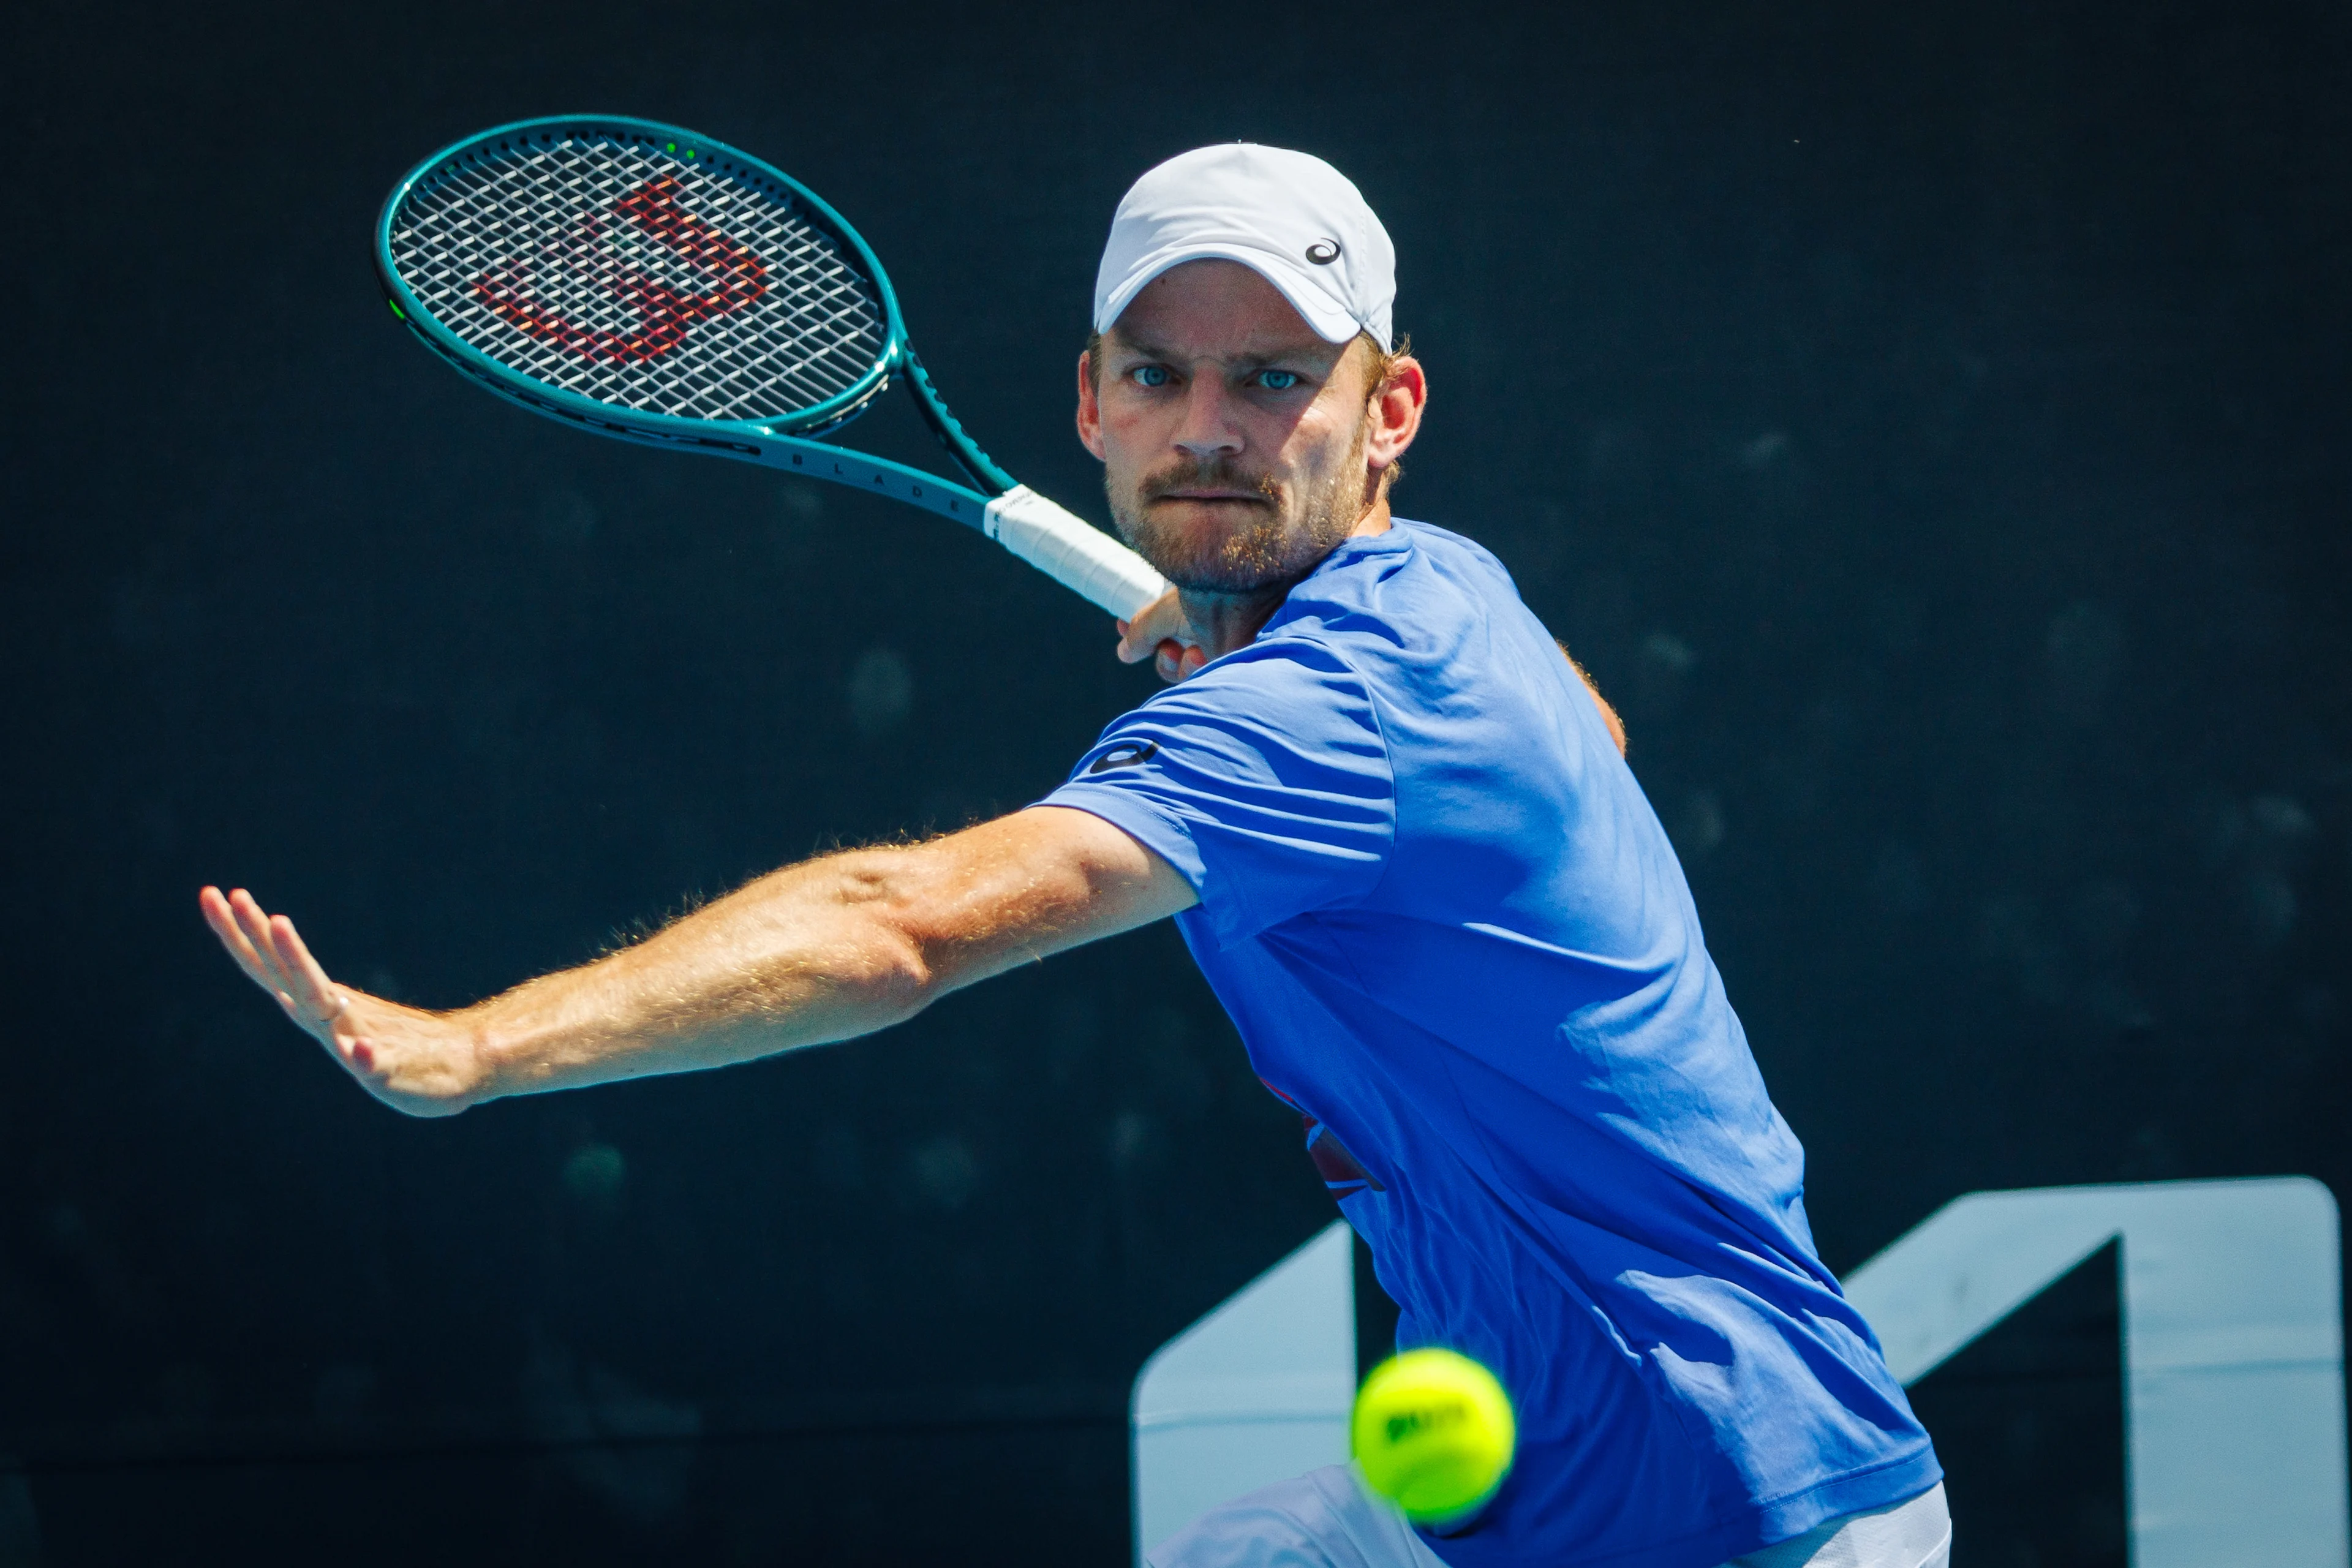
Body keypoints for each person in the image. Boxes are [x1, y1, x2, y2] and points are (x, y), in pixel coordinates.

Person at [202, 145, 1948, 1568]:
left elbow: (897, 928)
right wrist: (1242, 630)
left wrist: (481, 1049)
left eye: (1274, 383)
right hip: (1523, 1488)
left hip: (1726, 1507)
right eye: (1161, 377)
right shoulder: (1448, 596)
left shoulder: (1328, 706)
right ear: (1093, 405)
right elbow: (1591, 730)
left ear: (1388, 407)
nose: (1210, 428)